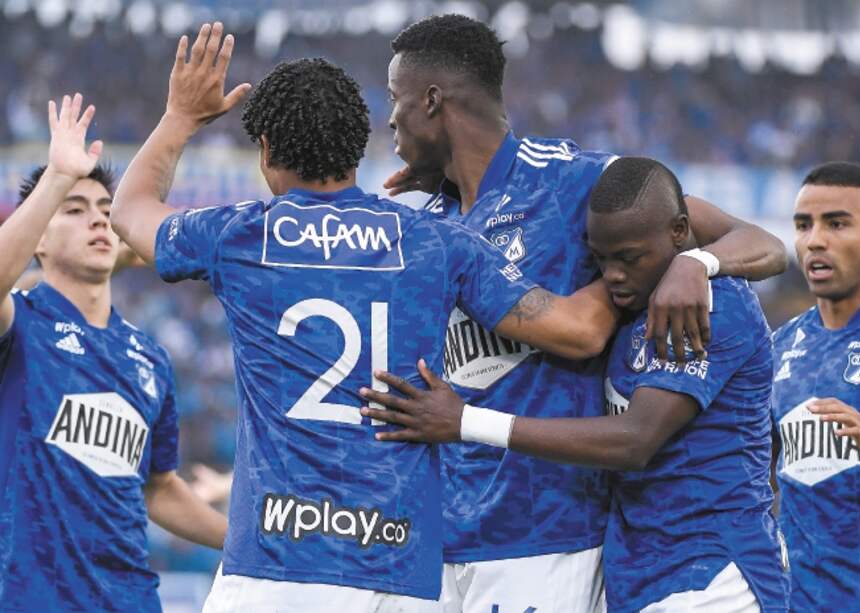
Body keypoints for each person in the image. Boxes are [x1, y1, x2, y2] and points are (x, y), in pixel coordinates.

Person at [110, 23, 616, 611]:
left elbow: (130, 210)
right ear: (357, 146)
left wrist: (180, 116)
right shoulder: (433, 240)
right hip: (396, 572)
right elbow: (578, 330)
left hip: (276, 564)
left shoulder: (240, 235)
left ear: (268, 151)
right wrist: (655, 266)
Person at [383, 14, 787, 610]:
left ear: (433, 101)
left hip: (550, 537)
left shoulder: (571, 180)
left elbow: (763, 242)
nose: (389, 117)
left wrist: (696, 263)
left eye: (396, 99)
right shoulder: (435, 219)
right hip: (451, 536)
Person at [0, 94, 227, 612]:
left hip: (132, 600)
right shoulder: (23, 323)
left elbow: (159, 488)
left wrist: (245, 540)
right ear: (38, 238)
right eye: (74, 211)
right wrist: (58, 176)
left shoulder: (149, 358)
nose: (98, 221)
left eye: (104, 211)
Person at [769, 162, 860, 611]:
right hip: (797, 600)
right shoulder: (781, 344)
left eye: (837, 223)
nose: (815, 239)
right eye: (804, 224)